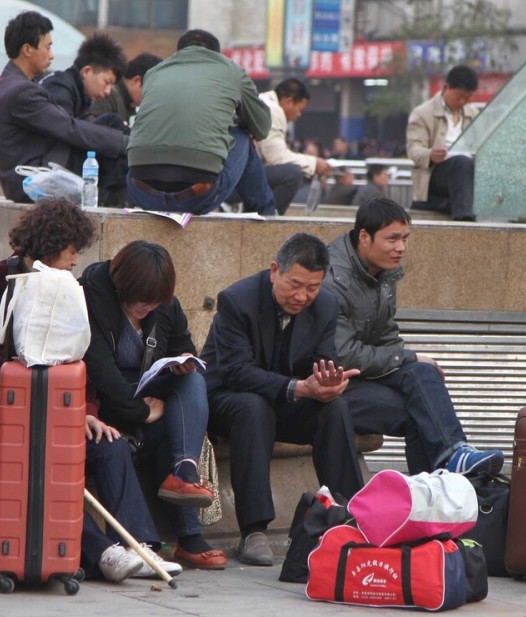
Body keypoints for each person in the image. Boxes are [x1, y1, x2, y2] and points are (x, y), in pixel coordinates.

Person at [0, 199, 180, 582]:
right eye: (73, 251)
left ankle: (142, 546)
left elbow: (78, 358)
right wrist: (42, 419)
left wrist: (86, 411)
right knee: (37, 465)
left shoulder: (67, 288)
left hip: (56, 413)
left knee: (111, 445)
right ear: (53, 245)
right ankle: (103, 552)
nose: (76, 261)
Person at [200, 233, 364, 567]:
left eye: (313, 287)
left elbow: (323, 359)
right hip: (228, 401)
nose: (303, 296)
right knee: (253, 407)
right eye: (295, 284)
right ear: (275, 270)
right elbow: (236, 372)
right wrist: (301, 388)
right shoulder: (237, 300)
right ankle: (254, 530)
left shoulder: (326, 305)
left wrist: (329, 383)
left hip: (285, 400)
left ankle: (351, 516)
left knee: (334, 408)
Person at [324, 198, 506, 477]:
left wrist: (411, 361)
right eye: (392, 239)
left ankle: (453, 456)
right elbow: (343, 353)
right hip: (331, 384)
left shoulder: (382, 272)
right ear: (364, 237)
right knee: (421, 414)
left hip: (365, 376)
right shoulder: (334, 280)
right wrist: (407, 356)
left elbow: (386, 336)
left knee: (422, 375)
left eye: (405, 238)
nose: (401, 248)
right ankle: (432, 491)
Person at [80, 241, 226, 571]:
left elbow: (183, 345)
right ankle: (182, 536)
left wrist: (182, 362)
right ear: (121, 285)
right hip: (111, 404)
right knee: (162, 426)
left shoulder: (165, 305)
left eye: (154, 302)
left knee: (192, 383)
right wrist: (144, 412)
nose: (146, 307)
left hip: (150, 393)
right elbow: (98, 369)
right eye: (139, 301)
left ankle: (185, 472)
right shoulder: (90, 300)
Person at [126, 29, 276, 216]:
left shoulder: (154, 73)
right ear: (216, 55)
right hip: (197, 196)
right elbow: (261, 127)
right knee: (243, 135)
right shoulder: (231, 71)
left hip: (141, 193)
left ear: (179, 52)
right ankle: (267, 214)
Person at [0, 11, 127, 203]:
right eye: (47, 47)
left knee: (110, 125)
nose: (51, 55)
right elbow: (67, 128)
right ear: (27, 49)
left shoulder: (15, 83)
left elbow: (68, 124)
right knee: (113, 135)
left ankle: (110, 203)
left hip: (39, 167)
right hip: (33, 180)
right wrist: (125, 143)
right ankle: (111, 205)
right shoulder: (20, 92)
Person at [406, 65, 479, 221]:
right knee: (461, 163)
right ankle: (463, 217)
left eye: (467, 97)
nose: (463, 101)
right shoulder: (422, 113)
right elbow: (413, 150)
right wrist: (430, 154)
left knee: (467, 165)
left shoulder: (473, 113)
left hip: (466, 173)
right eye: (459, 96)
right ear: (446, 88)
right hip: (435, 173)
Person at [256, 79, 331, 215]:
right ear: (288, 102)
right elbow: (276, 158)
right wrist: (314, 163)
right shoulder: (273, 110)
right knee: (291, 173)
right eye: (300, 109)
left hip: (233, 173)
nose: (299, 115)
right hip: (234, 180)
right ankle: (269, 223)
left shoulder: (263, 102)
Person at [91, 52, 163, 125]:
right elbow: (92, 130)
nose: (153, 99)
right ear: (136, 81)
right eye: (152, 92)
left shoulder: (130, 104)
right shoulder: (106, 95)